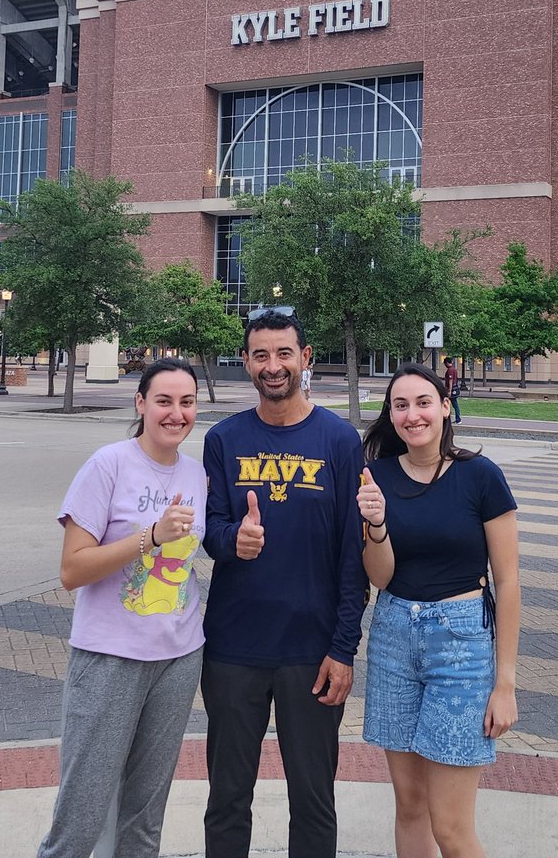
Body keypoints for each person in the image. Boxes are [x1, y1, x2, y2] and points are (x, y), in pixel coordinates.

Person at [201, 308, 367, 858]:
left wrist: (343, 648)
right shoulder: (223, 440)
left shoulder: (341, 441)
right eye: (261, 355)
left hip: (312, 652)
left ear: (305, 359)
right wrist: (233, 541)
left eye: (284, 354)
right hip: (232, 650)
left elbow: (353, 558)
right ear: (247, 362)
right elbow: (212, 531)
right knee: (227, 798)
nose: (273, 366)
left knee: (314, 801)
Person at [36, 357, 206, 858]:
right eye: (164, 401)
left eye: (187, 402)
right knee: (81, 816)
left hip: (178, 658)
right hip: (110, 658)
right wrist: (149, 537)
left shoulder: (197, 475)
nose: (176, 414)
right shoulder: (108, 464)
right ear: (141, 404)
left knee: (145, 816)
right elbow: (72, 571)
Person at [357, 362, 519, 858]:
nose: (412, 415)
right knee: (409, 806)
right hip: (393, 638)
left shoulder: (480, 476)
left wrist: (505, 683)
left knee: (450, 826)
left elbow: (508, 582)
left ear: (445, 407)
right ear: (390, 414)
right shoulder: (376, 477)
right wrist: (377, 524)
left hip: (462, 644)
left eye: (423, 402)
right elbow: (379, 576)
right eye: (400, 405)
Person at [444, 356, 462, 423]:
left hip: (452, 389)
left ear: (447, 363)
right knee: (453, 404)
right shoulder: (454, 369)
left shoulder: (450, 370)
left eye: (445, 364)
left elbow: (450, 380)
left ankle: (458, 419)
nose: (445, 365)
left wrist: (449, 391)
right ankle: (456, 418)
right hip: (455, 388)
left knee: (453, 404)